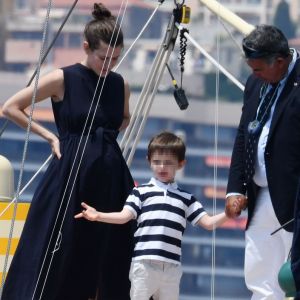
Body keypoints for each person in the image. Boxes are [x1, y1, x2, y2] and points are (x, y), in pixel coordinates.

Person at [1, 3, 135, 300]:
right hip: (71, 174)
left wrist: (104, 139)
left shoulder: (120, 83)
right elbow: (11, 107)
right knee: (59, 243)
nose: (109, 64)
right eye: (103, 58)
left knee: (111, 249)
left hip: (111, 174)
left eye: (115, 58)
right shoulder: (64, 78)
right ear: (86, 48)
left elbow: (125, 117)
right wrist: (51, 136)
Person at [75, 131, 229, 300]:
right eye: (157, 162)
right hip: (144, 264)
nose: (162, 167)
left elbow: (208, 223)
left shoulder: (187, 198)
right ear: (149, 161)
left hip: (171, 268)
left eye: (168, 163)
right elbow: (124, 216)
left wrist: (228, 214)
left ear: (181, 164)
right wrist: (98, 215)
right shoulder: (140, 192)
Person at [225, 24, 300, 299]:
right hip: (261, 194)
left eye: (258, 69)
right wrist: (236, 188)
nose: (253, 74)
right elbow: (244, 133)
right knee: (260, 271)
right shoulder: (255, 82)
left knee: (294, 274)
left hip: (294, 197)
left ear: (280, 62)